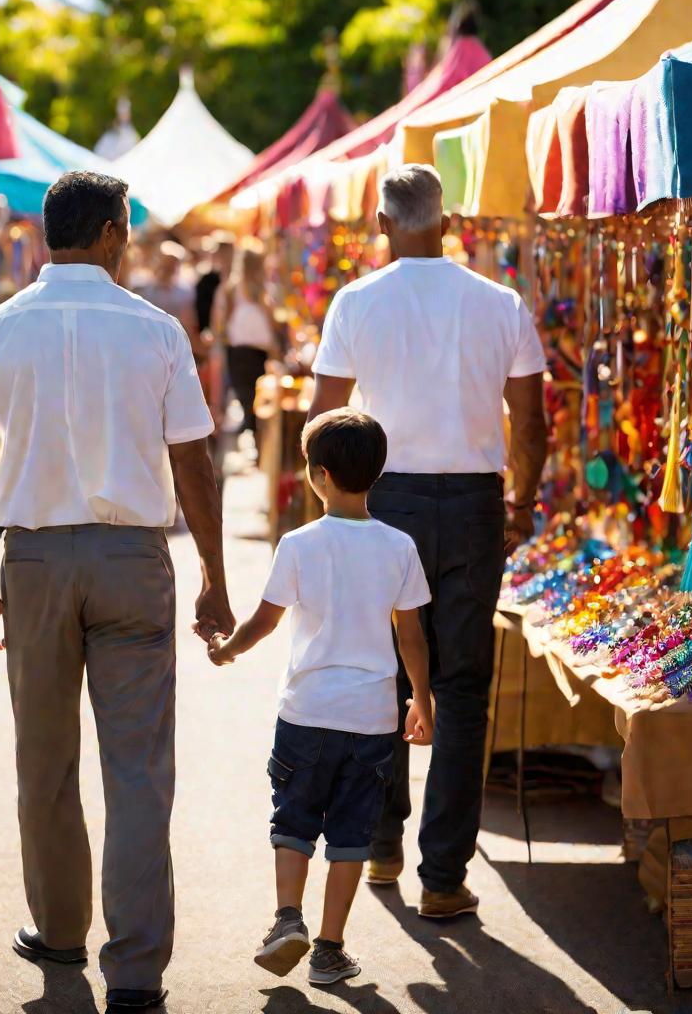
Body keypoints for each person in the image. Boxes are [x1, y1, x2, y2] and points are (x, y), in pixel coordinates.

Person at [0, 171, 233, 1014]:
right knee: (139, 769)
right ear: (110, 234)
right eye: (128, 232)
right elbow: (194, 461)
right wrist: (215, 573)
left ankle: (62, 931)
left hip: (32, 563)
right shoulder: (155, 331)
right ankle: (137, 968)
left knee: (46, 760)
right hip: (133, 562)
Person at [308, 164, 547, 918]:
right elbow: (532, 423)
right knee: (462, 686)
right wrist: (523, 498)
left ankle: (381, 846)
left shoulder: (355, 302)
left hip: (386, 498)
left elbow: (323, 420)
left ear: (381, 224)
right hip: (474, 502)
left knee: (384, 671)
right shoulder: (499, 302)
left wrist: (325, 515)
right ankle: (442, 877)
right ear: (447, 224)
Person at [208, 408, 432, 986]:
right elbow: (411, 635)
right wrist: (421, 701)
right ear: (374, 476)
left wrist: (228, 649)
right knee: (352, 835)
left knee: (295, 819)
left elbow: (265, 619)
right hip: (372, 718)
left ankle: (287, 919)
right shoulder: (400, 546)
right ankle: (330, 948)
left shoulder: (300, 543)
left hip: (306, 711)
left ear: (320, 475)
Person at [213, 240, 277, 435]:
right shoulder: (236, 289)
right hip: (248, 351)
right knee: (251, 398)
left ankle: (252, 432)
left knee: (250, 397)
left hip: (247, 351)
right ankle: (253, 433)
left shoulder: (260, 290)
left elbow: (220, 321)